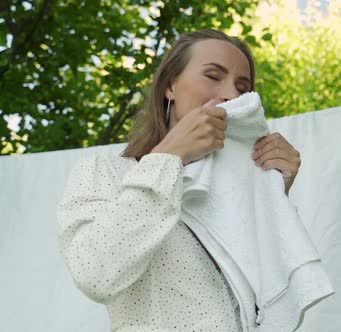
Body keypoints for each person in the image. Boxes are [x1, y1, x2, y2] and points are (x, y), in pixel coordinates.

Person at [57, 28, 301, 331]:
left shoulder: (243, 190)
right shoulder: (104, 171)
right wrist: (167, 158)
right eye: (213, 76)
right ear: (170, 85)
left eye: (243, 87)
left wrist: (274, 196)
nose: (231, 95)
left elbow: (270, 302)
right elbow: (95, 275)